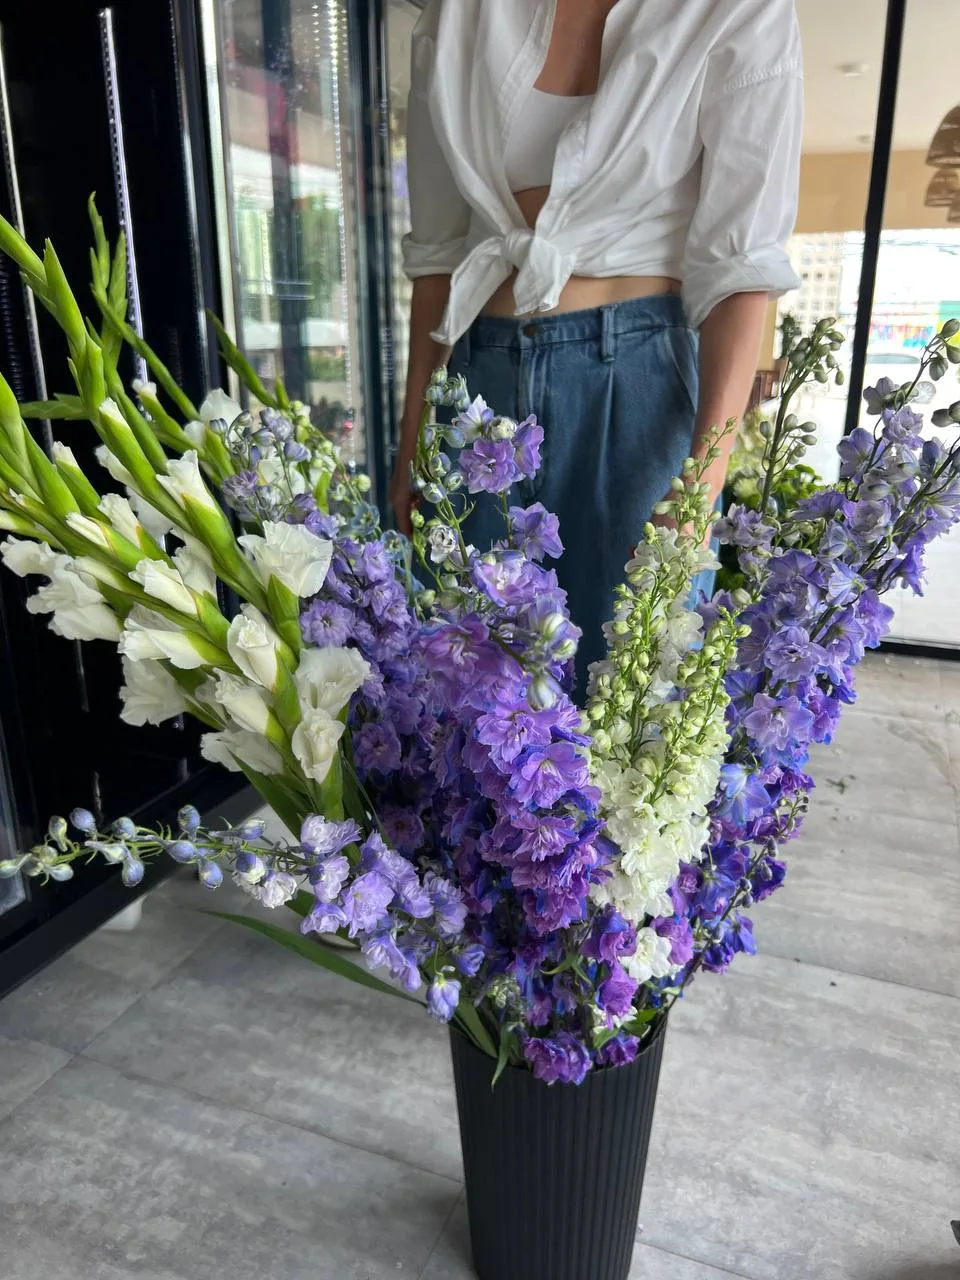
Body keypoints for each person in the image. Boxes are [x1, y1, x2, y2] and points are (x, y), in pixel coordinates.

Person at [390, 0, 803, 684]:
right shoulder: (457, 12)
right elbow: (435, 258)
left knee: (633, 696)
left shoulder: (739, 9)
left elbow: (740, 269)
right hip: (477, 383)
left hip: (637, 386)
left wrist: (701, 486)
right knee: (459, 699)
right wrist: (412, 445)